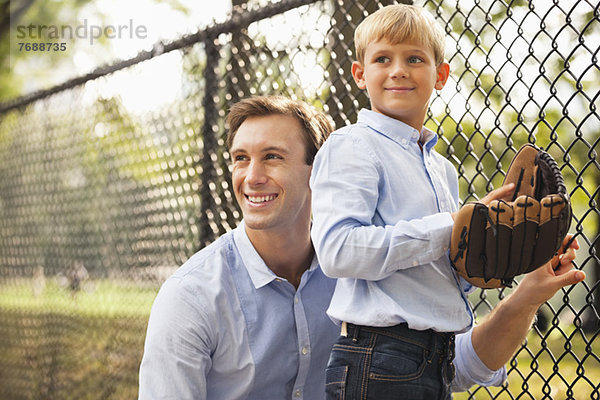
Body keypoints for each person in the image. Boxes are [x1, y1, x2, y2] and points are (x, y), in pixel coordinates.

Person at [138, 95, 584, 399]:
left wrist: (529, 295)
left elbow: (457, 365)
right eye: (241, 158)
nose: (250, 176)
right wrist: (450, 226)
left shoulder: (369, 266)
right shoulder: (192, 296)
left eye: (272, 156)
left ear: (320, 171)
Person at [308, 4, 577, 399]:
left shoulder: (442, 169)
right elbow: (337, 251)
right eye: (383, 58)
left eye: (414, 58)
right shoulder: (353, 145)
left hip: (435, 358)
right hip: (377, 357)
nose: (398, 69)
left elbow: (428, 273)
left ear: (441, 75)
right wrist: (451, 226)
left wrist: (483, 244)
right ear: (360, 74)